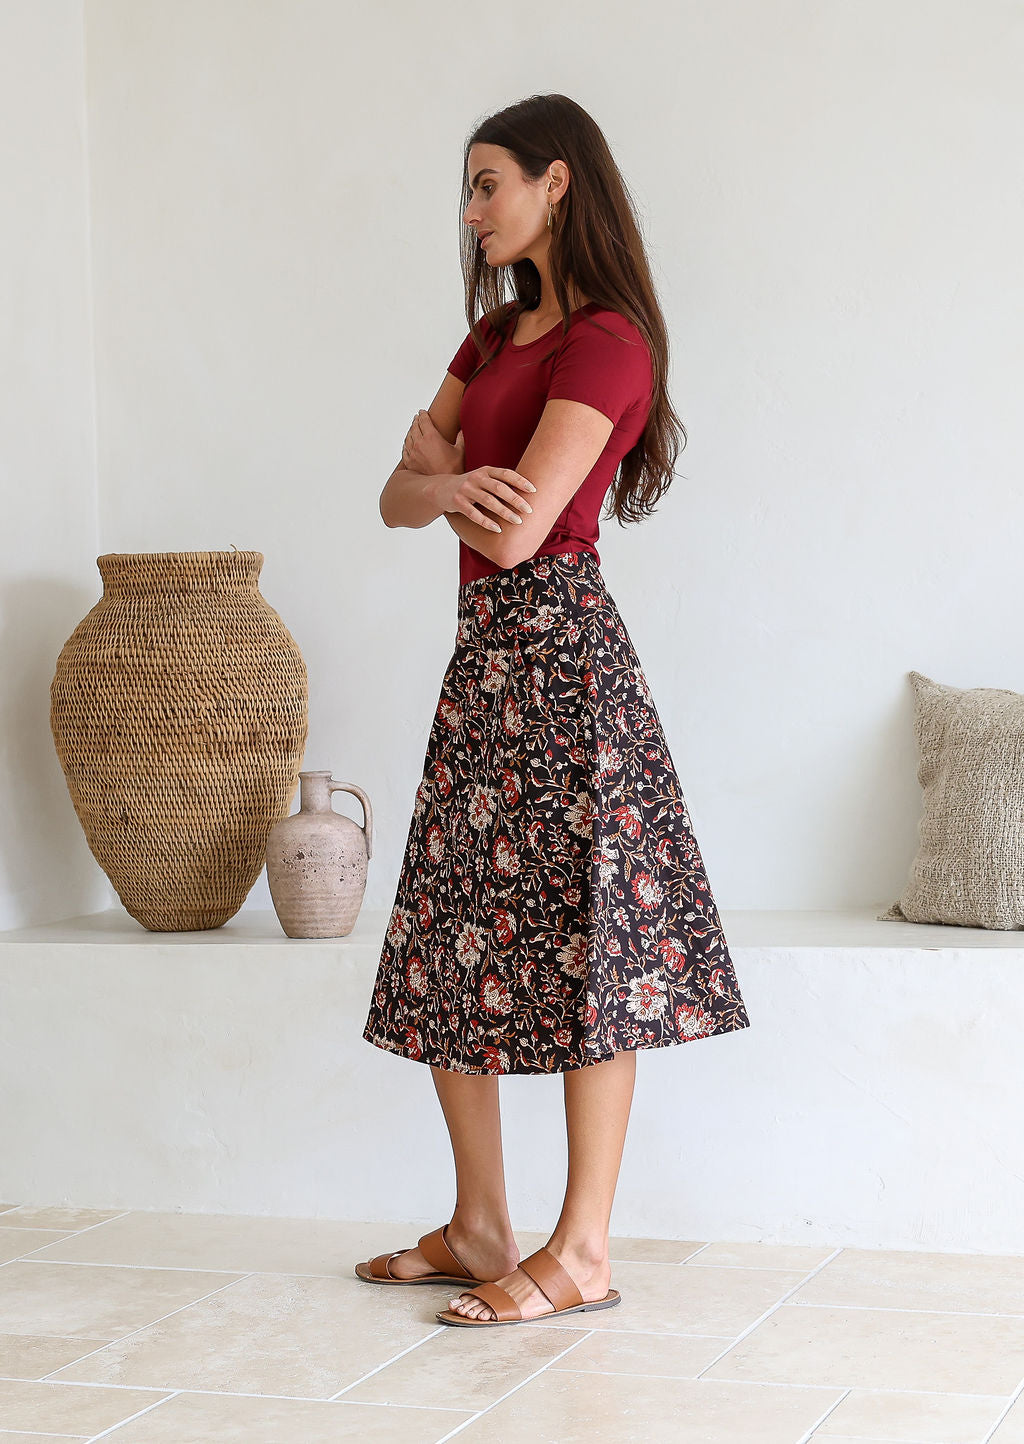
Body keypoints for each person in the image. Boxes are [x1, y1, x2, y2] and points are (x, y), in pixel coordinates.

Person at [356, 94, 751, 1329]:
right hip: (483, 665)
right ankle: (483, 1222)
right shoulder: (490, 342)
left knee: (592, 945)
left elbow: (523, 525)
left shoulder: (609, 346)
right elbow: (391, 490)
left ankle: (582, 1250)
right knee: (447, 932)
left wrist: (449, 482)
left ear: (556, 184)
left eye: (489, 185)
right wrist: (445, 486)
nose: (471, 212)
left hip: (568, 667)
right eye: (467, 190)